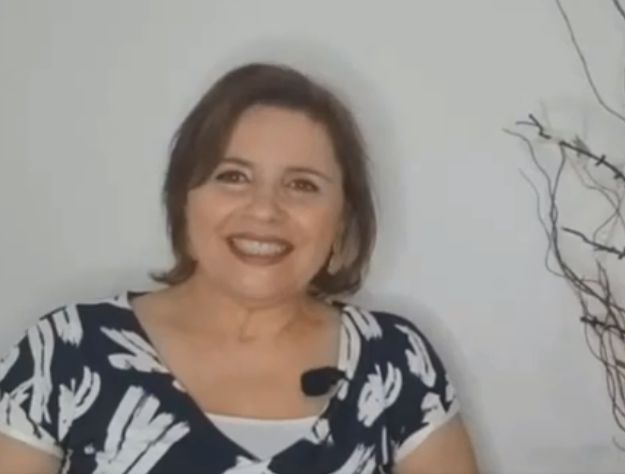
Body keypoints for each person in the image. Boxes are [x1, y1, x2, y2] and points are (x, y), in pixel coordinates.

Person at [0, 63, 477, 473]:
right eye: (233, 177)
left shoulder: (397, 364)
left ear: (342, 220)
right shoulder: (64, 353)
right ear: (184, 200)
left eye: (302, 185)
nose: (265, 209)